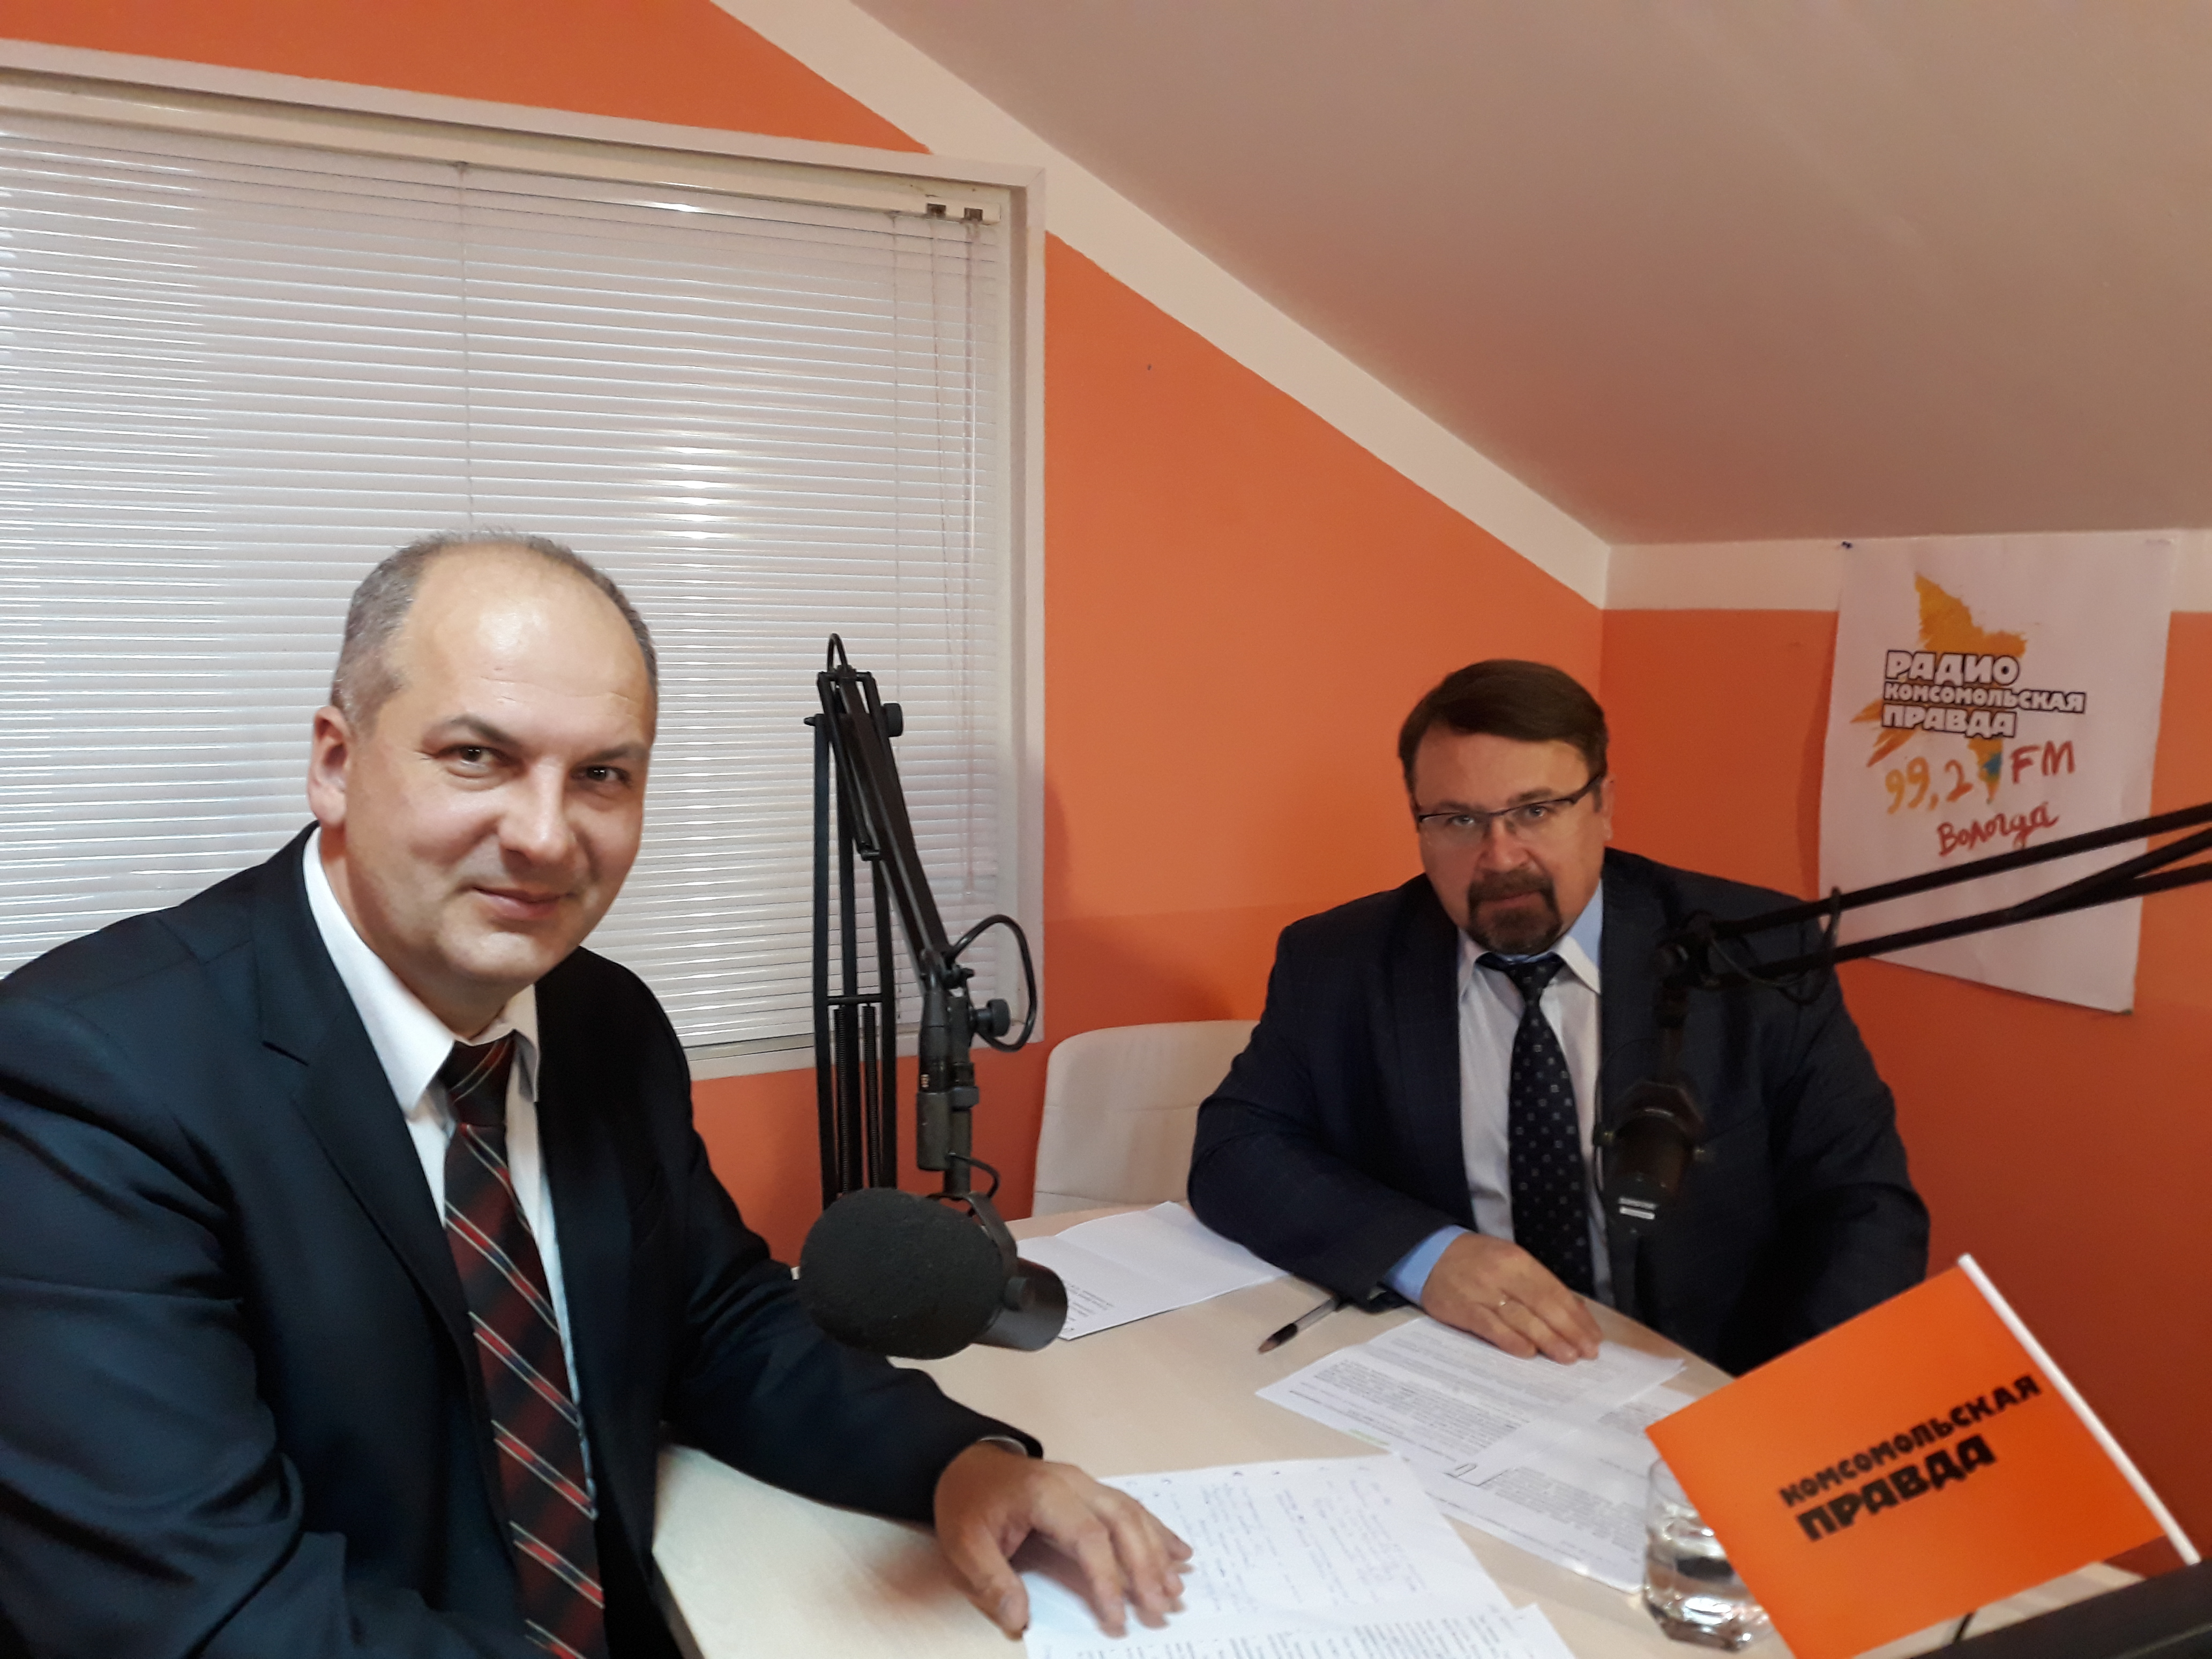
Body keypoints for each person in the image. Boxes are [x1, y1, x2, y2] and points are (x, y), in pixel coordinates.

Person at [0, 533, 1186, 1659]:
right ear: (336, 762)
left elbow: (718, 1324)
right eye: (477, 756)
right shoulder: (92, 1078)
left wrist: (958, 1465)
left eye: (603, 776)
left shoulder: (603, 1019)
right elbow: (202, 1615)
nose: (545, 835)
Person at [1188, 659, 1927, 1377]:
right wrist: (1426, 1256)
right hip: (1460, 1366)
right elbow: (1235, 1148)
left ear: (1603, 806)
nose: (1500, 856)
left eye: (1536, 811)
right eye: (1458, 820)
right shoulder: (1341, 960)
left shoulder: (1754, 951)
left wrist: (1793, 1403)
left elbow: (1863, 1204)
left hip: (1697, 1377)